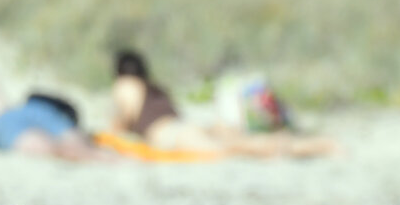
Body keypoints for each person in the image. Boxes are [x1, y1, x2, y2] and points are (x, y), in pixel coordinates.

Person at [108, 50, 334, 158]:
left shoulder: (125, 85)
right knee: (239, 143)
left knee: (233, 150)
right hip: (186, 125)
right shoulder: (155, 87)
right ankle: (316, 145)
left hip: (170, 133)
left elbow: (126, 117)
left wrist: (109, 135)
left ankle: (294, 147)